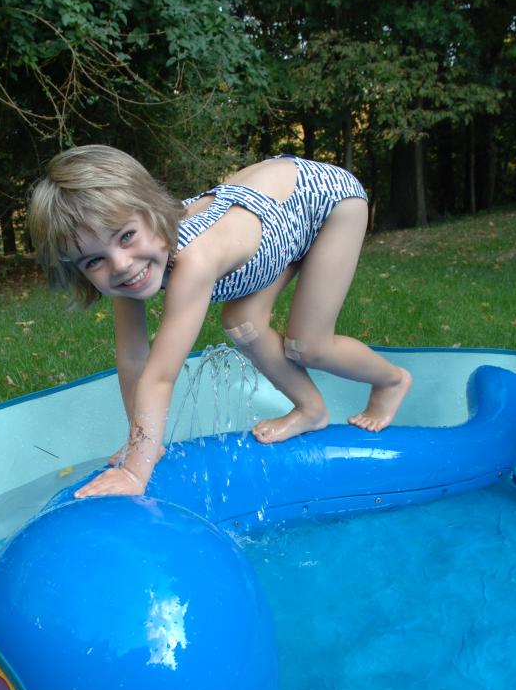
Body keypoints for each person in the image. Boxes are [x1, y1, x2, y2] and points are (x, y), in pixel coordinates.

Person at [28, 145, 411, 499]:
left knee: (309, 345)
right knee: (243, 323)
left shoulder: (196, 258)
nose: (121, 264)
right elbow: (133, 359)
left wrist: (133, 473)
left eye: (126, 236)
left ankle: (391, 381)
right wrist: (142, 444)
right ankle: (312, 410)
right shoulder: (129, 264)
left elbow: (160, 376)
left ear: (153, 214)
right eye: (94, 260)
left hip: (325, 203)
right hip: (271, 220)